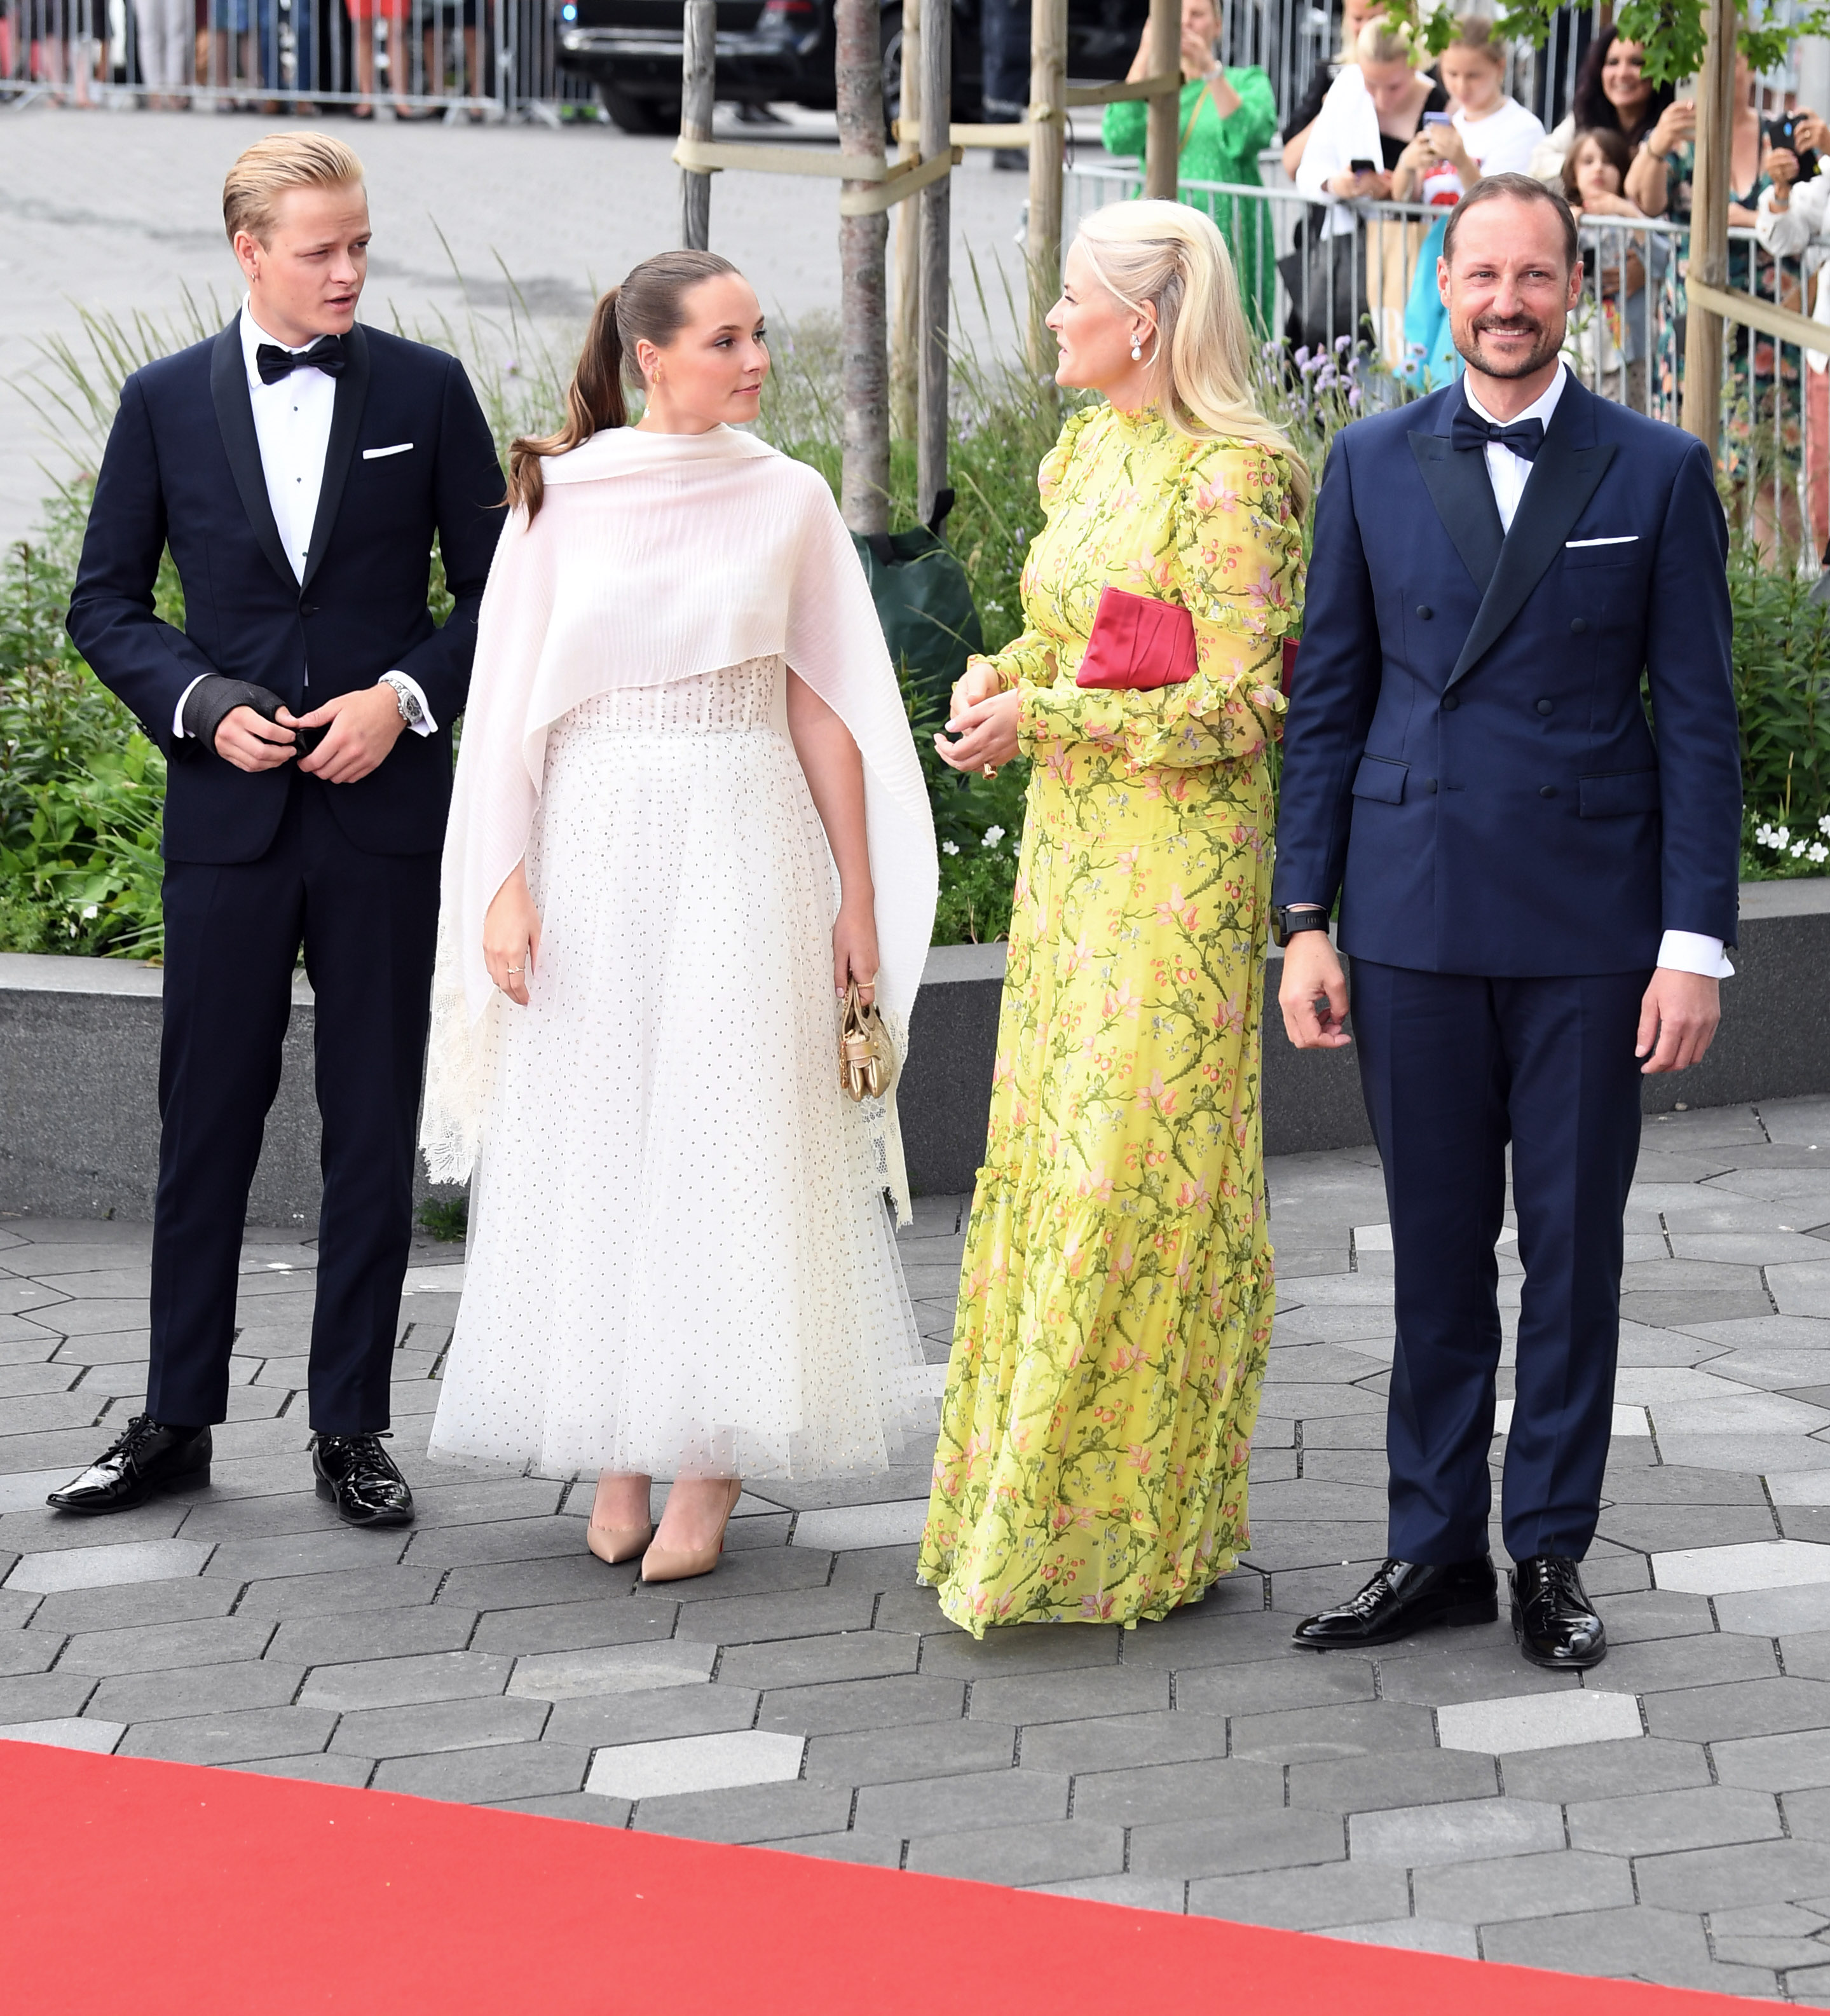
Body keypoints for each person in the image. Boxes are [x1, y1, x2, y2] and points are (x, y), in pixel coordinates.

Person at [1273, 174, 1740, 1672]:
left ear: (1575, 293)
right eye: (1481, 273)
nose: (1505, 299)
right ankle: (1430, 1552)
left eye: (1535, 275)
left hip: (1592, 930)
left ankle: (1545, 1552)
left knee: (1571, 1250)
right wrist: (1303, 919)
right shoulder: (1366, 459)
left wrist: (1693, 943)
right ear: (1444, 286)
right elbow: (1328, 706)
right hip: (1409, 917)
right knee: (1430, 1250)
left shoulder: (1657, 471)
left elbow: (1699, 730)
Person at [421, 253, 939, 1586]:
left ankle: (706, 1458)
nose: (757, 358)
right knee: (603, 1131)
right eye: (727, 338)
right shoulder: (557, 496)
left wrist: (858, 899)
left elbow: (823, 706)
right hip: (592, 838)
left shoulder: (789, 499)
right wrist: (500, 881)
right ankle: (619, 1448)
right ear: (650, 356)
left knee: (733, 1132)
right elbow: (509, 702)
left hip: (742, 837)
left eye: (760, 333)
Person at [51, 133, 504, 1525]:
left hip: (380, 819)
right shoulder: (161, 402)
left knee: (368, 1125)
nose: (350, 270)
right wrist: (195, 702)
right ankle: (174, 1417)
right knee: (206, 1126)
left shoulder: (428, 392)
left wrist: (405, 700)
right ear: (249, 251)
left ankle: (351, 1427)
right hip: (229, 821)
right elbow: (106, 602)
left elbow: (505, 597)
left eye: (359, 243)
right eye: (321, 249)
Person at [917, 200, 1307, 1635]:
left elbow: (1246, 700)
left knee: (1129, 1186)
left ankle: (1125, 1533)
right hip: (1074, 864)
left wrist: (1050, 714)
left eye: (1071, 298)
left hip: (1179, 876)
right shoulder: (1090, 447)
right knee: (1047, 1162)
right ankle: (1028, 1516)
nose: (1052, 322)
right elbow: (1076, 626)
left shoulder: (1236, 476)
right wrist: (994, 675)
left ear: (1143, 322)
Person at [1630, 51, 1803, 544]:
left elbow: (1814, 213)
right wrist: (1655, 149)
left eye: (1735, 57)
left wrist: (1750, 217)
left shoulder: (1781, 131)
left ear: (1752, 63)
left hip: (1772, 319)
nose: (1725, 67)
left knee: (1771, 467)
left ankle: (1774, 603)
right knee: (1699, 460)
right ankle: (1706, 591)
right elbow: (1646, 201)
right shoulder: (1680, 129)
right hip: (1695, 315)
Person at [1102, 0, 1278, 330]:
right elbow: (1118, 136)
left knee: (1229, 326)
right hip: (1163, 234)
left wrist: (1211, 71)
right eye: (1176, 17)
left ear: (1218, 26)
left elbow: (1250, 135)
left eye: (1197, 15)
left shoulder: (1247, 80)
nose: (1185, 25)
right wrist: (1145, 54)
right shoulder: (1154, 87)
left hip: (1230, 229)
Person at [1291, 21, 1447, 353]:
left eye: (1393, 87)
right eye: (1371, 84)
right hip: (1345, 258)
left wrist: (1394, 187)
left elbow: (1439, 189)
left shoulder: (1440, 103)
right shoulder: (1346, 87)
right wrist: (1341, 184)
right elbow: (1309, 170)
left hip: (1411, 260)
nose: (1380, 98)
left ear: (1413, 65)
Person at [1564, 126, 1665, 410]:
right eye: (1588, 161)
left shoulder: (1631, 218)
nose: (1599, 168)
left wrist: (1627, 212)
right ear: (1573, 172)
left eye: (1609, 162)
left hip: (1627, 351)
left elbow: (1662, 260)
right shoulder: (1564, 217)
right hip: (1576, 348)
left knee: (1625, 426)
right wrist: (1567, 224)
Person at [1390, 17, 1544, 204]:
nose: (1461, 86)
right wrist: (1407, 163)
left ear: (1500, 68)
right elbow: (1402, 200)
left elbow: (1503, 206)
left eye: (1473, 76)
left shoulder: (1523, 129)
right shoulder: (1449, 123)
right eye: (1452, 74)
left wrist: (1463, 163)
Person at [1528, 27, 1673, 188]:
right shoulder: (1585, 115)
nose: (1622, 73)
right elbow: (1538, 161)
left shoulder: (1671, 125)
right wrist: (1582, 166)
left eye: (1637, 62)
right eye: (1613, 62)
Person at [1280, 0, 1384, 181]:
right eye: (1358, 18)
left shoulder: (1424, 81)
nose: (1367, 28)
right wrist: (1332, 110)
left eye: (1375, 19)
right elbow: (1291, 163)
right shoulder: (1332, 75)